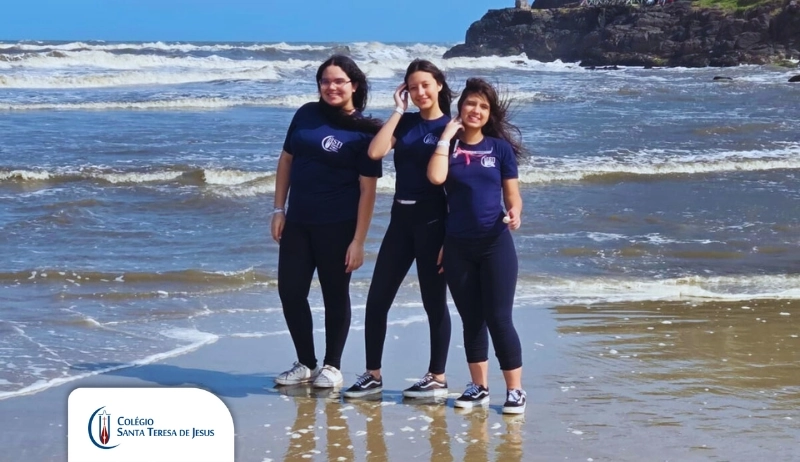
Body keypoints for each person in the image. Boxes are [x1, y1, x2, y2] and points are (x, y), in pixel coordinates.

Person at [343, 59, 455, 399]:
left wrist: (450, 238)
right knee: (377, 299)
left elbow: (459, 187)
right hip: (400, 222)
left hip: (434, 224)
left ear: (438, 85)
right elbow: (375, 151)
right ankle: (373, 375)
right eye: (413, 87)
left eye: (425, 85)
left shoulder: (452, 128)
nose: (420, 92)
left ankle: (437, 376)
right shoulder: (404, 123)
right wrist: (397, 109)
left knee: (434, 302)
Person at [272, 55, 382, 389]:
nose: (331, 87)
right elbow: (286, 160)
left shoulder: (365, 131)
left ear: (354, 85)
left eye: (338, 81)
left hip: (338, 225)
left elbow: (367, 189)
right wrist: (278, 210)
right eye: (325, 81)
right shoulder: (306, 114)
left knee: (335, 295)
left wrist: (358, 240)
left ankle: (332, 366)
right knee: (290, 292)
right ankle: (306, 363)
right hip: (298, 222)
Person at [426, 77, 527, 414]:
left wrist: (515, 213)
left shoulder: (499, 149)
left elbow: (512, 196)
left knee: (499, 318)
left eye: (483, 106)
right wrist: (445, 136)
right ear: (461, 107)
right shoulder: (448, 147)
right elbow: (436, 178)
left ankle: (515, 391)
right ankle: (478, 387)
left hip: (495, 244)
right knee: (471, 319)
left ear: (489, 113)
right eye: (471, 103)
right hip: (457, 247)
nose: (476, 110)